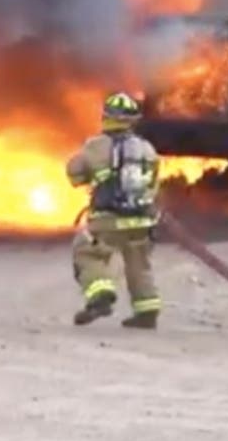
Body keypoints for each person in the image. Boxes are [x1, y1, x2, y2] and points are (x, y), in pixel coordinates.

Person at [66, 92, 163, 329]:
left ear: (106, 118)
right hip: (143, 219)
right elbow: (154, 183)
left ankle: (100, 293)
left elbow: (74, 174)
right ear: (133, 120)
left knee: (87, 251)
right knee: (138, 262)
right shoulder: (147, 148)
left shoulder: (97, 145)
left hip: (109, 218)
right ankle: (147, 310)